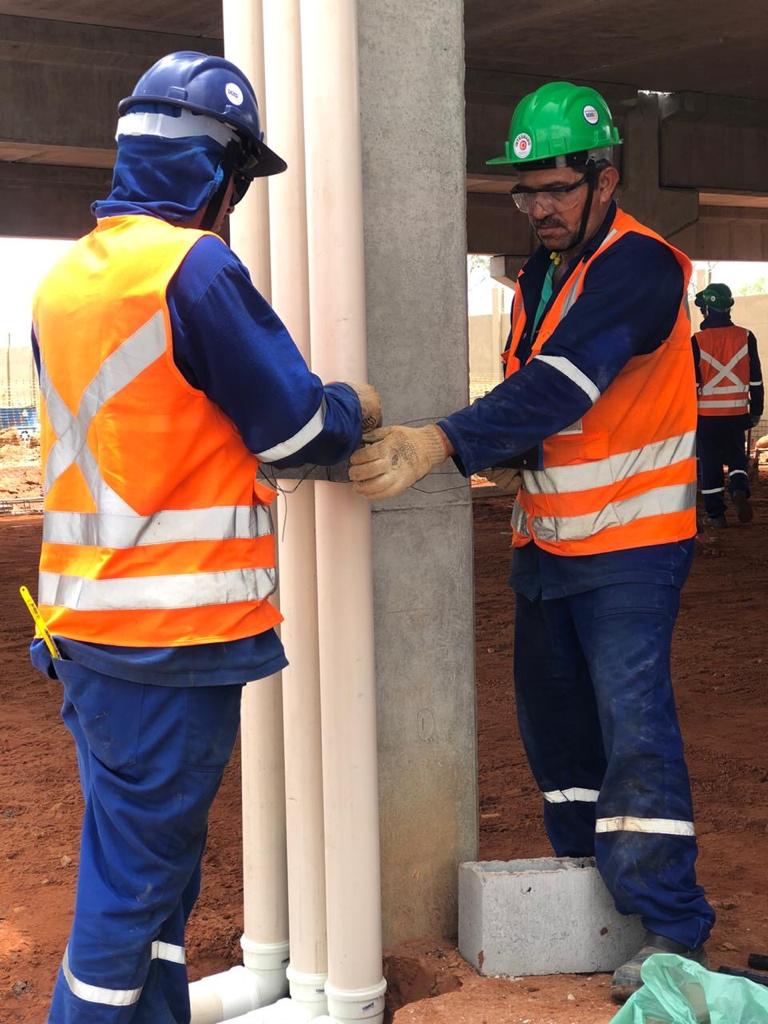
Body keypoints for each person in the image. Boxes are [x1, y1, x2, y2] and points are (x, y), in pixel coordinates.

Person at [30, 51, 380, 1024]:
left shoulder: (62, 286)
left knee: (156, 884)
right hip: (169, 643)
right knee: (132, 894)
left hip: (86, 632)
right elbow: (296, 428)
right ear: (214, 173)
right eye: (236, 183)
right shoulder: (195, 269)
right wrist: (354, 404)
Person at [350, 81, 713, 1003]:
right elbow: (544, 407)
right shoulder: (535, 284)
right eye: (525, 192)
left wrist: (443, 440)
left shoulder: (641, 267)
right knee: (556, 736)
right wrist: (510, 456)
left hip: (631, 550)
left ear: (605, 178)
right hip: (547, 545)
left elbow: (567, 380)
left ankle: (671, 928)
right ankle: (593, 896)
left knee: (633, 729)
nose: (539, 207)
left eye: (555, 187)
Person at [692, 282, 763, 528]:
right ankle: (739, 490)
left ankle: (715, 515)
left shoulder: (697, 341)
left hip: (706, 416)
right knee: (736, 458)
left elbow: (692, 382)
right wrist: (756, 411)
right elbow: (755, 378)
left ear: (708, 310)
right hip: (736, 412)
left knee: (710, 463)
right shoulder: (745, 336)